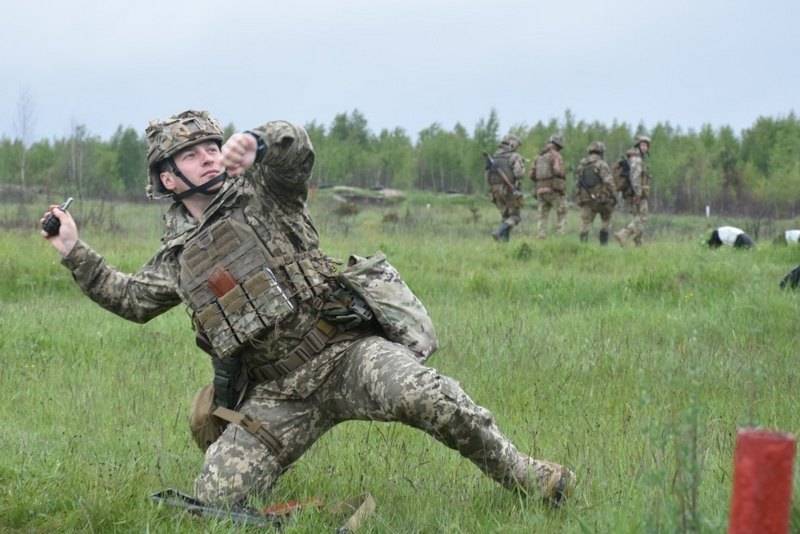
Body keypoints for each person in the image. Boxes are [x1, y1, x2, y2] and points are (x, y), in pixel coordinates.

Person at [41, 110, 574, 510]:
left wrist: (260, 141)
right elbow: (132, 300)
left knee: (427, 395)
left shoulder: (267, 193)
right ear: (168, 180)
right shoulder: (177, 257)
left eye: (212, 144)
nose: (208, 154)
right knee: (215, 498)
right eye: (192, 153)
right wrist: (74, 251)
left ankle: (526, 476)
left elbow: (297, 154)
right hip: (278, 393)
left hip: (346, 355)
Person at [574, 141, 616, 245]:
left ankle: (582, 247)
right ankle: (603, 245)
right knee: (606, 220)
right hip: (602, 200)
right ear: (601, 152)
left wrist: (579, 197)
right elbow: (609, 182)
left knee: (585, 223)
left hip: (586, 199)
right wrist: (613, 196)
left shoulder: (581, 165)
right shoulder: (602, 164)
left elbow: (577, 183)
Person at [486, 134, 525, 242]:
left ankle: (503, 244)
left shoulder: (494, 158)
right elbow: (519, 174)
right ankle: (498, 232)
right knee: (515, 217)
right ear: (512, 144)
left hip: (494, 191)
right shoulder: (514, 156)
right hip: (509, 190)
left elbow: (487, 176)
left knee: (505, 217)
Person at [614, 135, 652, 247]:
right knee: (642, 217)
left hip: (634, 193)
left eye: (646, 145)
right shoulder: (636, 159)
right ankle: (623, 234)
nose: (645, 147)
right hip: (636, 194)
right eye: (643, 145)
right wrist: (638, 194)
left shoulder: (636, 158)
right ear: (638, 146)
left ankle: (638, 243)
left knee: (638, 218)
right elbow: (635, 178)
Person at [531, 134, 567, 239]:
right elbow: (556, 170)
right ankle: (560, 237)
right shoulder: (555, 155)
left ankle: (541, 236)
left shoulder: (539, 156)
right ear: (558, 145)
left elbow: (531, 175)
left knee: (542, 216)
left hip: (540, 190)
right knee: (562, 212)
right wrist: (562, 174)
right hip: (553, 190)